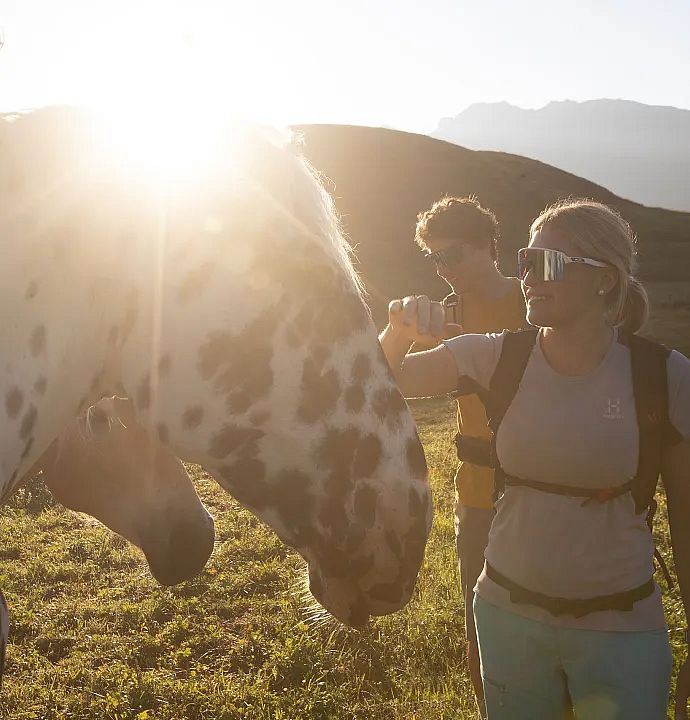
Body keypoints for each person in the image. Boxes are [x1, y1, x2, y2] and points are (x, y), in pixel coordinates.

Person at [380, 199, 690, 719]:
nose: (528, 277)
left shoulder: (665, 376)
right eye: (526, 261)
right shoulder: (495, 353)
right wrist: (398, 332)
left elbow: (686, 515)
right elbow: (378, 383)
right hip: (507, 615)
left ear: (604, 280)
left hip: (621, 628)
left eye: (547, 264)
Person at [414, 196, 525, 716]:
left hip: (544, 487)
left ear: (487, 247)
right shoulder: (444, 317)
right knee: (479, 619)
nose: (444, 270)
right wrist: (405, 333)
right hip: (477, 491)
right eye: (435, 260)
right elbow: (393, 382)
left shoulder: (535, 301)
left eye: (453, 255)